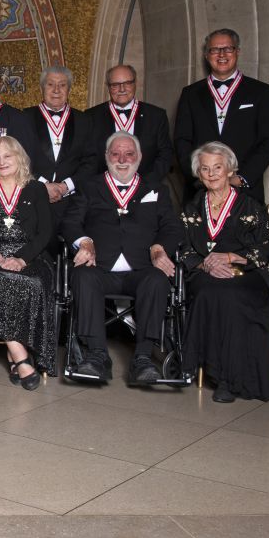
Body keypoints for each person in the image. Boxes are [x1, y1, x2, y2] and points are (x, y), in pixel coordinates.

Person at [61, 131, 182, 384]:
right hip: (100, 267)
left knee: (158, 280)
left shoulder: (155, 189)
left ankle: (143, 358)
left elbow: (172, 227)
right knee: (82, 276)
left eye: (129, 154)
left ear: (139, 157)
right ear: (106, 157)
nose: (122, 159)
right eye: (115, 154)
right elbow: (70, 221)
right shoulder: (90, 186)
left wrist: (159, 248)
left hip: (141, 268)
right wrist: (85, 242)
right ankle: (96, 355)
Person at [179, 141, 269, 402]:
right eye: (205, 168)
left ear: (230, 169)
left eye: (218, 167)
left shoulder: (251, 206)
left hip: (246, 273)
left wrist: (231, 257)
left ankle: (231, 379)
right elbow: (181, 246)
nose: (211, 174)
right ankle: (221, 377)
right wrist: (205, 263)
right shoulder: (192, 207)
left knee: (229, 295)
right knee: (212, 292)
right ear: (198, 173)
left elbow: (268, 245)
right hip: (204, 273)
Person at [0, 136, 56, 390]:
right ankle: (21, 357)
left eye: (8, 156)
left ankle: (15, 355)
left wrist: (22, 258)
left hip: (31, 254)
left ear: (20, 158)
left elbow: (45, 232)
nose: (2, 162)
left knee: (33, 282)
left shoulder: (36, 189)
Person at [174, 28, 269, 203]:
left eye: (228, 49)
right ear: (207, 55)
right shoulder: (190, 94)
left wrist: (242, 178)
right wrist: (201, 177)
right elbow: (182, 140)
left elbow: (268, 140)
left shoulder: (260, 92)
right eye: (215, 50)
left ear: (237, 52)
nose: (221, 54)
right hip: (200, 191)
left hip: (245, 192)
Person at [24, 66, 95, 232]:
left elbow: (91, 161)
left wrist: (66, 186)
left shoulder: (84, 120)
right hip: (33, 200)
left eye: (62, 85)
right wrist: (43, 185)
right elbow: (17, 159)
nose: (56, 90)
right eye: (50, 84)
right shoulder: (24, 118)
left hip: (72, 203)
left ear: (69, 89)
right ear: (42, 88)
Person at [85, 64, 175, 187]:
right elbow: (87, 157)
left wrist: (145, 184)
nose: (122, 89)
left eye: (127, 83)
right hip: (103, 191)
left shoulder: (156, 116)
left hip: (146, 188)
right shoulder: (91, 117)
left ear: (135, 83)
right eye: (115, 85)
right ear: (108, 87)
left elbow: (165, 155)